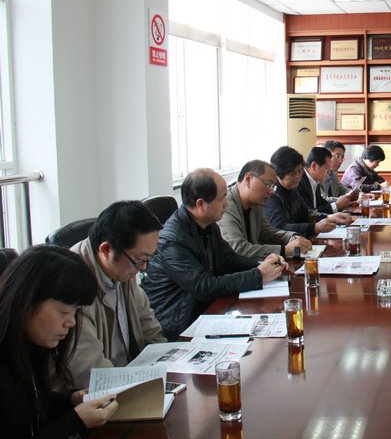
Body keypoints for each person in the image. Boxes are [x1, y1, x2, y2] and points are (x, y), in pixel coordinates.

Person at [142, 168, 287, 340]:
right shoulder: (173, 241)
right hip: (181, 324)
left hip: (208, 310)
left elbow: (229, 259)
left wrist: (264, 265)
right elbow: (203, 287)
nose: (226, 203)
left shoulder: (207, 224)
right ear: (200, 204)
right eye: (222, 198)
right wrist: (259, 275)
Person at [0, 245, 118, 439]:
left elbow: (30, 404)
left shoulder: (27, 345)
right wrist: (75, 421)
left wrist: (70, 400)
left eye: (75, 312)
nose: (71, 322)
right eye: (63, 312)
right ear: (26, 301)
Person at [67, 201, 166, 390]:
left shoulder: (123, 269)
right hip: (104, 390)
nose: (143, 267)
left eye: (148, 259)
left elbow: (148, 326)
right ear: (106, 250)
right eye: (139, 260)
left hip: (132, 373)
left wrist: (168, 362)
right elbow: (91, 373)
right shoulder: (73, 285)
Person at [219, 159, 312, 259]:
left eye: (273, 186)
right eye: (268, 184)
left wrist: (291, 238)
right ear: (248, 179)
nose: (271, 191)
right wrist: (284, 250)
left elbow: (268, 233)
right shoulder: (225, 206)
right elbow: (237, 248)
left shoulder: (255, 203)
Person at [263, 146, 352, 238]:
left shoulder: (292, 188)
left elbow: (306, 212)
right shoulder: (271, 194)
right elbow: (279, 227)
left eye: (299, 171)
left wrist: (329, 217)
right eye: (292, 173)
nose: (297, 177)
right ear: (278, 173)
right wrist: (314, 228)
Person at [299, 147, 357, 214]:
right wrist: (337, 205)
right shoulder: (299, 182)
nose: (329, 172)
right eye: (327, 168)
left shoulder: (315, 180)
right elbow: (309, 213)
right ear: (314, 166)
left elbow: (322, 203)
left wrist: (347, 202)